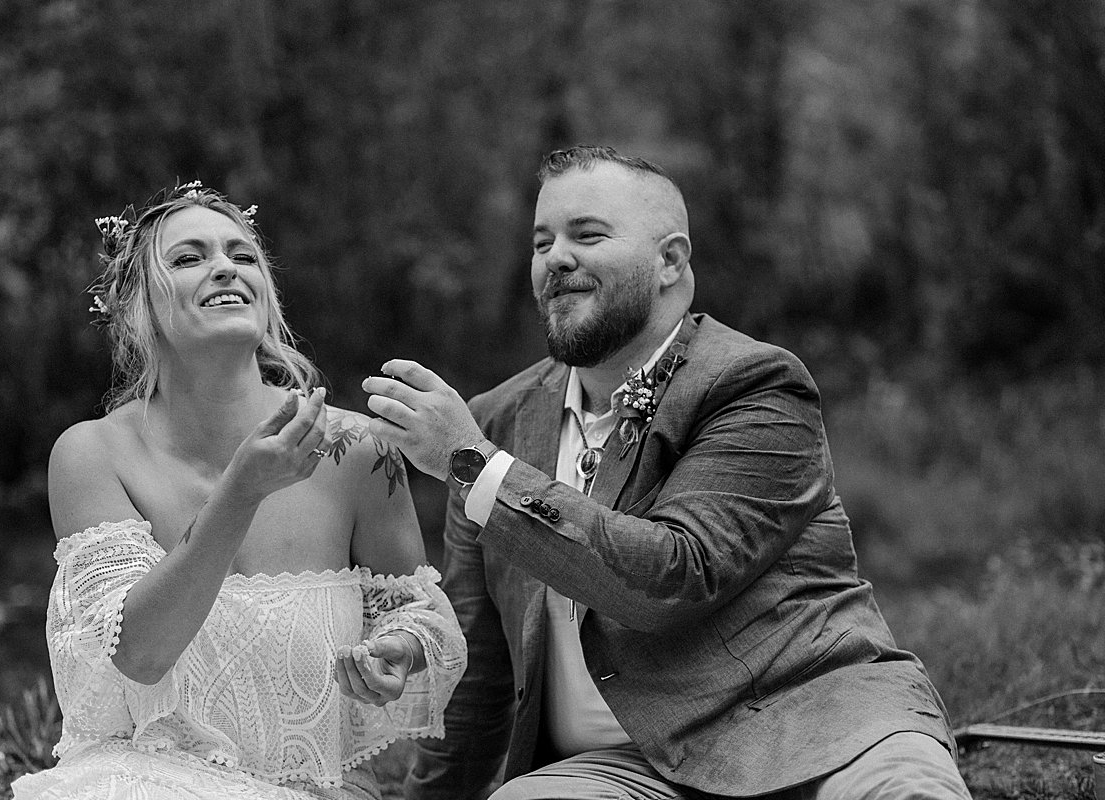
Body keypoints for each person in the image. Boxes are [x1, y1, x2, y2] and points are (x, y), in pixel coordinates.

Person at [363, 146, 972, 799]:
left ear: (671, 261)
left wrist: (473, 467)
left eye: (587, 234)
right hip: (620, 772)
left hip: (820, 729)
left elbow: (673, 576)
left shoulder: (756, 385)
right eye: (542, 242)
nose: (555, 258)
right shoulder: (496, 420)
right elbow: (478, 674)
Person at [10, 181, 467, 800]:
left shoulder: (358, 450)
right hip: (142, 777)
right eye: (188, 257)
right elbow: (140, 653)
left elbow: (422, 614)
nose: (225, 266)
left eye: (242, 254)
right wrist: (240, 493)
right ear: (139, 307)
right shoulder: (94, 455)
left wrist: (399, 648)